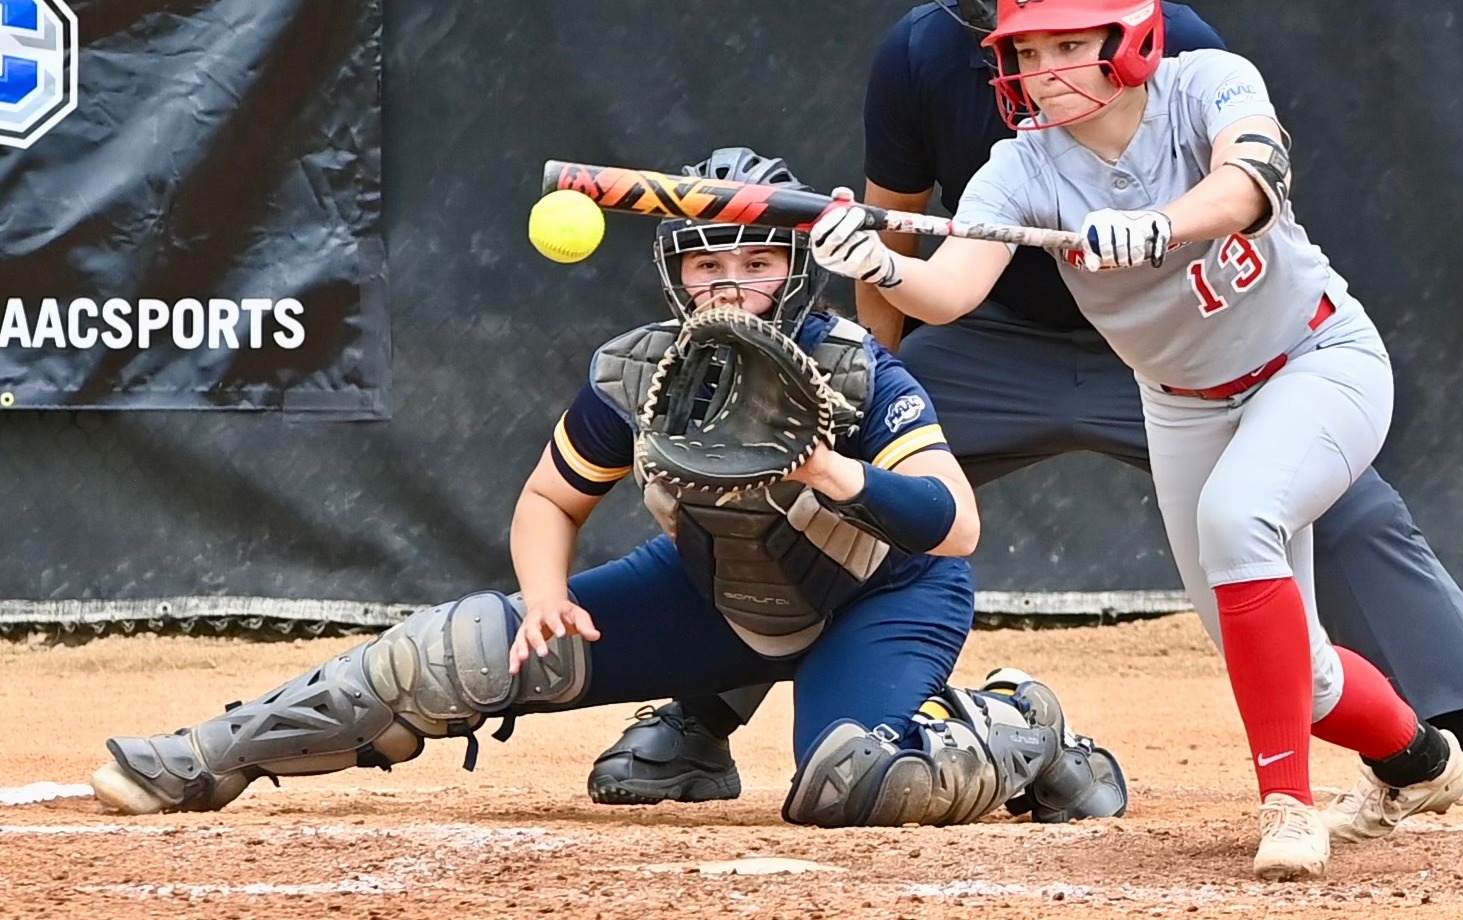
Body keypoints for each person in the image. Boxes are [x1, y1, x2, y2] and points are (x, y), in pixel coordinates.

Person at [588, 0, 1463, 813]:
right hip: (1001, 342)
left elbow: (1248, 177)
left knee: (1329, 506)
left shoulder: (1186, 53)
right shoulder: (931, 60)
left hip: (1200, 335)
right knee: (827, 476)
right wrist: (873, 311)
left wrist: (1165, 224)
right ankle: (700, 717)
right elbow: (909, 227)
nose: (1027, 6)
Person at [87, 146, 1128, 831]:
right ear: (676, 272)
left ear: (792, 270)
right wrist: (545, 596)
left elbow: (956, 526)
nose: (729, 285)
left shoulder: (853, 366)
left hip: (884, 596)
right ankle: (202, 757)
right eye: (707, 264)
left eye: (756, 261)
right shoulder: (640, 373)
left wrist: (829, 468)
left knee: (852, 786)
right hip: (718, 598)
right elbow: (552, 500)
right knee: (448, 654)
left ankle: (1019, 724)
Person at [811, 0, 1463, 880]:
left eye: (1066, 46)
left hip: (1316, 360)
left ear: (1133, 39)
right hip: (1184, 405)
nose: (1043, 73)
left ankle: (1288, 805)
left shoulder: (1211, 84)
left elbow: (1252, 181)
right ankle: (1421, 763)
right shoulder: (1022, 169)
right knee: (1294, 668)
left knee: (1240, 521)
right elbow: (949, 292)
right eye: (1026, 55)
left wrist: (1167, 219)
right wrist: (880, 265)